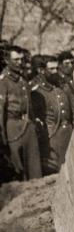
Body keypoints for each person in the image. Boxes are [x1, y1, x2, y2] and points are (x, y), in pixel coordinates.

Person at [0, 46, 42, 180]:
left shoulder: (22, 79)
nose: (20, 62)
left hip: (28, 125)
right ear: (7, 61)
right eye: (16, 59)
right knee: (18, 171)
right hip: (12, 127)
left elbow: (30, 105)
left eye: (21, 59)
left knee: (35, 170)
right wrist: (3, 137)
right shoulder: (3, 81)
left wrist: (34, 123)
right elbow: (0, 111)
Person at [31, 56, 74, 174]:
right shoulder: (37, 92)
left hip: (69, 134)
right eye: (51, 69)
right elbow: (37, 119)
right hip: (53, 138)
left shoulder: (62, 87)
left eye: (56, 68)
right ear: (42, 70)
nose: (55, 72)